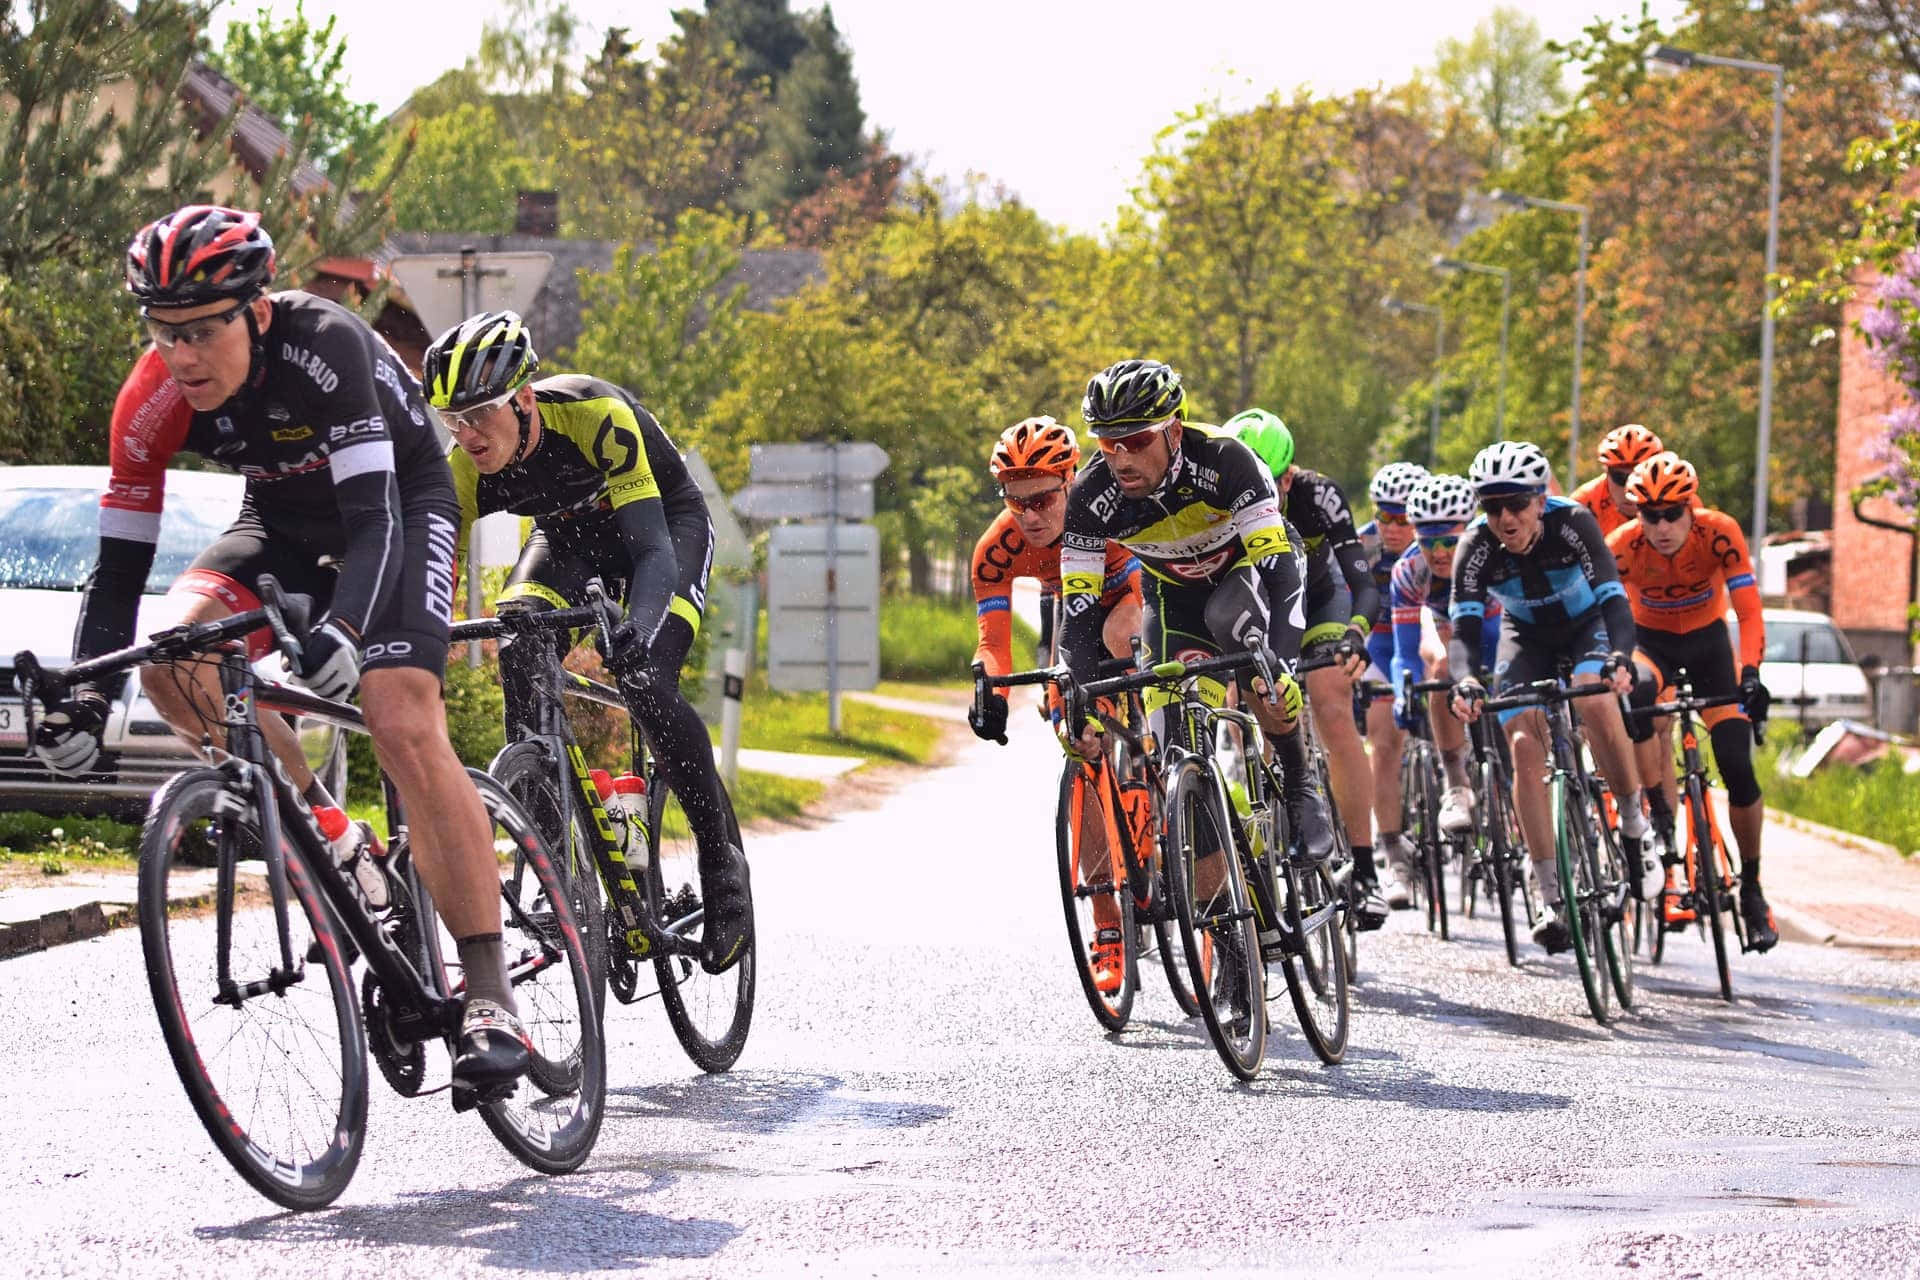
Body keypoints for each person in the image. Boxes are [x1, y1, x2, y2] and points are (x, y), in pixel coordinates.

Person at [39, 205, 530, 1091]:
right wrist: (80, 701)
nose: (180, 356)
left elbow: (375, 518)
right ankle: (334, 838)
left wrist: (344, 631)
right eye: (163, 332)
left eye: (199, 331)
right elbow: (118, 575)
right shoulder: (149, 402)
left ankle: (490, 994)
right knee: (172, 657)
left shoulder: (323, 344)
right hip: (279, 523)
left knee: (399, 718)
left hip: (397, 510)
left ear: (255, 312)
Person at [423, 310, 751, 974]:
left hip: (662, 529)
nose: (468, 433)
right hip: (570, 541)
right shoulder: (466, 467)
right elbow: (432, 563)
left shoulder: (592, 413)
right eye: (452, 419)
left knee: (645, 681)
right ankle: (551, 854)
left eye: (481, 413)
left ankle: (722, 867)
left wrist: (639, 630)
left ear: (522, 397)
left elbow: (654, 550)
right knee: (518, 625)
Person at [1056, 361, 1333, 871]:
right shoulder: (1091, 497)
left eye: (1136, 441)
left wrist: (1284, 665)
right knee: (1174, 749)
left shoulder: (1226, 460)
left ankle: (1299, 785)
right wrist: (1079, 695)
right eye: (1107, 443)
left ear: (1174, 431)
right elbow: (1077, 610)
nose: (1121, 458)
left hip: (1250, 572)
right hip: (1173, 595)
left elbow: (1278, 570)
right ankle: (1225, 928)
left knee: (1242, 632)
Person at [1446, 441, 1664, 955]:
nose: (1505, 518)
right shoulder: (1474, 547)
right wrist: (1467, 680)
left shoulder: (1575, 524)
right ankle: (1549, 895)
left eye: (1516, 504)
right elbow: (1464, 632)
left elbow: (1613, 598)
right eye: (1492, 506)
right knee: (1522, 743)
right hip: (1526, 639)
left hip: (1587, 628)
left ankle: (1634, 823)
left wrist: (1621, 658)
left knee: (1592, 697)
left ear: (1541, 501)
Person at [967, 415, 1144, 994]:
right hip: (1068, 611)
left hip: (1131, 594)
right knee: (1080, 747)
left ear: (1071, 480)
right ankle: (1108, 925)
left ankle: (1158, 770)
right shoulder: (996, 549)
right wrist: (989, 689)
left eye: (1043, 498)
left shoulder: (1111, 506)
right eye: (1015, 501)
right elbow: (994, 644)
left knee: (1124, 644)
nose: (1030, 515)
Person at [1221, 410, 1390, 926]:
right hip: (1258, 605)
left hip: (1319, 603)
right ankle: (1260, 838)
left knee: (1332, 704)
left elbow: (1362, 581)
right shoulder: (1216, 494)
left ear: (1288, 478)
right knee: (1244, 708)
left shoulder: (1319, 498)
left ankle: (1364, 869)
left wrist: (1358, 631)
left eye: (1269, 483)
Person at [1608, 452, 1778, 950]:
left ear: (1690, 508)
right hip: (1651, 646)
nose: (1661, 527)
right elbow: (1611, 618)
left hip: (1709, 648)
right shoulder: (1623, 547)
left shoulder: (1719, 532)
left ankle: (1751, 886)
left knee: (1736, 766)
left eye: (1671, 514)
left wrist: (1751, 673)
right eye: (1649, 515)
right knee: (1637, 696)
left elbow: (1748, 612)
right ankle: (1662, 823)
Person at [1385, 473, 1500, 840]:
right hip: (1448, 625)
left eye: (1449, 541)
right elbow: (1404, 652)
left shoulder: (1493, 551)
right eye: (1427, 541)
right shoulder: (1407, 572)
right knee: (1440, 670)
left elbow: (1504, 633)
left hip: (1499, 622)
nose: (1437, 552)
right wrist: (1405, 692)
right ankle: (1456, 784)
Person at [1357, 460, 1428, 908]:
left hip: (1426, 640)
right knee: (1385, 742)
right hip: (1381, 647)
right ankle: (1392, 854)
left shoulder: (1439, 546)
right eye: (1387, 517)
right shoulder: (1364, 545)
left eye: (1405, 518)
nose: (1395, 527)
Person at [1571, 423, 1664, 537]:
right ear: (1606, 471)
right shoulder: (1582, 504)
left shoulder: (1683, 505)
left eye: (1640, 478)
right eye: (1619, 478)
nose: (1629, 488)